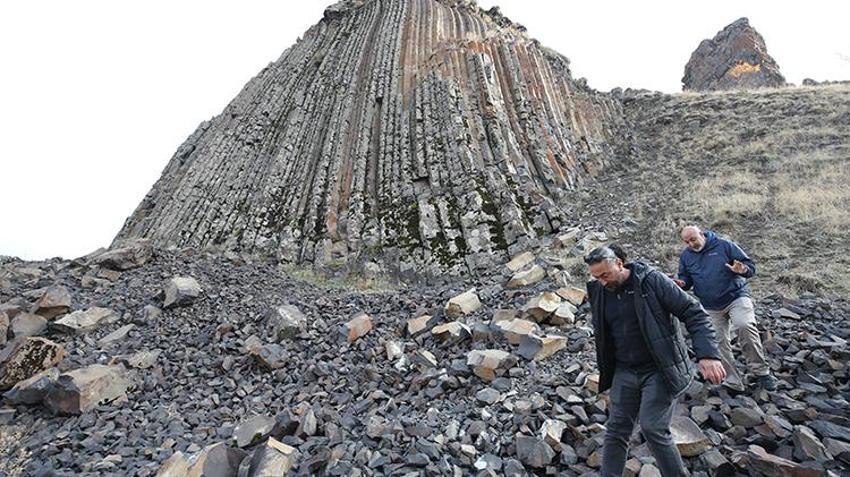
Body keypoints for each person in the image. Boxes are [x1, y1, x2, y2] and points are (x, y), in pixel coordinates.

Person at [585, 246, 725, 477]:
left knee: (653, 427)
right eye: (596, 277)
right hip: (624, 370)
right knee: (616, 430)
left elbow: (694, 313)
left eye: (605, 275)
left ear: (619, 263)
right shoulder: (599, 291)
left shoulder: (651, 281)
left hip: (660, 368)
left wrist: (708, 355)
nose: (601, 281)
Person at [674, 226, 777, 392]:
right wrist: (682, 283)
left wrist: (742, 269)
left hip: (736, 296)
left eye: (693, 239)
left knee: (744, 325)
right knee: (716, 340)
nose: (691, 244)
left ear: (702, 234)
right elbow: (685, 278)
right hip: (710, 305)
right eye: (686, 242)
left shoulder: (724, 246)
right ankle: (732, 380)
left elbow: (750, 267)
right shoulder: (686, 256)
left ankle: (761, 372)